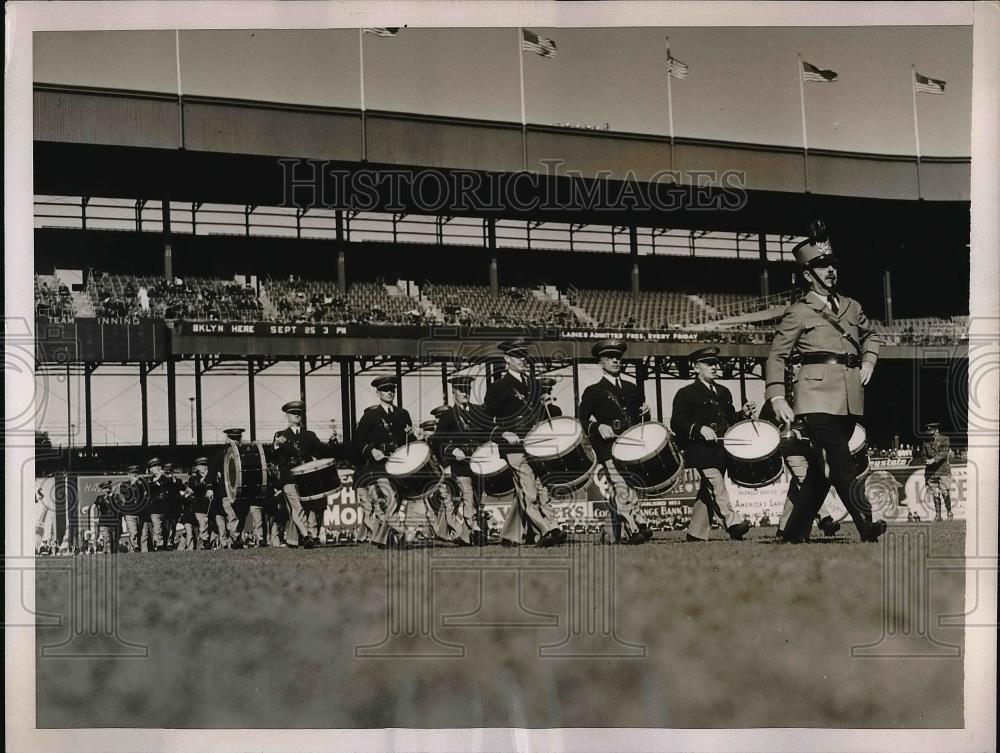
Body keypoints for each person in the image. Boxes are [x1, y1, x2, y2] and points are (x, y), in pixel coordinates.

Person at [765, 231, 887, 543]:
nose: (830, 270)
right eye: (822, 266)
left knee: (821, 474)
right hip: (814, 398)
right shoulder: (798, 311)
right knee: (842, 461)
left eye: (832, 264)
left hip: (849, 397)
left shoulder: (851, 306)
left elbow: (871, 334)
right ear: (808, 274)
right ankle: (866, 524)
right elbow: (777, 355)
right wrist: (777, 394)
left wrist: (870, 361)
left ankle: (793, 533)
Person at [483, 340, 566, 547]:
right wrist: (502, 433)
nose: (522, 360)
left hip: (537, 446)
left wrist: (548, 406)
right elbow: (484, 420)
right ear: (507, 359)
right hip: (514, 448)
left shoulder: (534, 385)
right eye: (517, 356)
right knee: (529, 491)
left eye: (524, 357)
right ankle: (547, 530)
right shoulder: (498, 387)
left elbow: (547, 416)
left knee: (540, 490)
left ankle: (514, 535)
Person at [670, 346, 753, 542]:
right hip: (700, 450)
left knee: (708, 490)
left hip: (721, 450)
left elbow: (731, 420)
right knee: (716, 485)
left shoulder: (724, 392)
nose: (714, 367)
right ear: (696, 367)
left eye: (715, 363)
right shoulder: (686, 393)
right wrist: (699, 428)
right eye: (708, 363)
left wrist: (743, 414)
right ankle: (733, 523)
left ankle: (696, 534)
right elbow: (676, 422)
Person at [577, 339, 654, 544]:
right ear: (600, 362)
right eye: (610, 357)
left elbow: (639, 420)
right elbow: (581, 420)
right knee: (621, 488)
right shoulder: (593, 391)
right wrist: (596, 427)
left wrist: (647, 413)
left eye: (618, 357)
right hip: (609, 448)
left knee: (631, 488)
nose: (615, 360)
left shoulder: (632, 388)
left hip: (630, 449)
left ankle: (610, 536)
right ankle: (635, 527)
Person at [757, 397, 841, 540]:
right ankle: (825, 520)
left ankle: (783, 528)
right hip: (791, 448)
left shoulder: (806, 392)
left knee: (796, 488)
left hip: (811, 447)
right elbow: (765, 426)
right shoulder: (776, 399)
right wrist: (785, 430)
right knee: (805, 481)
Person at [354, 377, 420, 547]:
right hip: (379, 466)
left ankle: (380, 538)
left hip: (398, 465)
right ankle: (401, 533)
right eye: (385, 389)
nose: (390, 392)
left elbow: (409, 442)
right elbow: (358, 441)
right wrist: (371, 450)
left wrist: (411, 436)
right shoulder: (370, 416)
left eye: (392, 389)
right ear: (378, 393)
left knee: (396, 502)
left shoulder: (403, 414)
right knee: (390, 499)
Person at [432, 377, 487, 544]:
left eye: (467, 389)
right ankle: (474, 529)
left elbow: (485, 434)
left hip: (478, 463)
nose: (465, 393)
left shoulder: (478, 411)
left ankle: (465, 536)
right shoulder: (449, 415)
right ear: (454, 392)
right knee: (468, 496)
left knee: (477, 498)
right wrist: (452, 450)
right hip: (460, 466)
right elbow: (437, 441)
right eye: (461, 390)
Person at [272, 401, 326, 548]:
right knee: (297, 507)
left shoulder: (309, 435)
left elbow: (320, 452)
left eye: (299, 413)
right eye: (293, 413)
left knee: (306, 507)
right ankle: (306, 535)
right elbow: (274, 458)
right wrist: (276, 445)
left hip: (306, 476)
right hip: (288, 477)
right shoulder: (280, 435)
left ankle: (299, 538)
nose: (296, 415)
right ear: (287, 416)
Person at [922, 421, 953, 521]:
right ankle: (938, 515)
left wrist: (933, 460)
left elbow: (944, 453)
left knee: (945, 492)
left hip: (943, 471)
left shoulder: (944, 439)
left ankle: (949, 513)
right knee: (935, 493)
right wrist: (925, 460)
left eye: (932, 433)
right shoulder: (926, 442)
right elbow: (923, 454)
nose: (930, 435)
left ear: (937, 431)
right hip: (931, 473)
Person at [118, 464, 150, 552]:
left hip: (141, 513)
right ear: (128, 474)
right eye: (133, 473)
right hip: (130, 513)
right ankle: (135, 548)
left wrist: (142, 483)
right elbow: (128, 494)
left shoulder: (142, 484)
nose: (135, 475)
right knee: (133, 533)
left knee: (143, 534)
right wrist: (135, 483)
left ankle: (142, 552)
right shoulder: (124, 484)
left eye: (136, 473)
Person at [145, 458, 172, 551]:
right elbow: (149, 489)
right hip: (155, 508)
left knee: (166, 528)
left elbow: (173, 488)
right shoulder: (148, 480)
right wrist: (158, 478)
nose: (157, 467)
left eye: (158, 465)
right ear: (150, 469)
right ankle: (159, 545)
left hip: (166, 507)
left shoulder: (166, 479)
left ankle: (166, 544)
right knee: (157, 527)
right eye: (154, 466)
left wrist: (169, 477)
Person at [187, 456, 213, 549]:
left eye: (205, 465)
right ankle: (205, 541)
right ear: (197, 467)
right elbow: (196, 488)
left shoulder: (212, 477)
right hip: (199, 506)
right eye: (201, 465)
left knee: (210, 526)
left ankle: (203, 544)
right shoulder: (193, 479)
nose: (204, 467)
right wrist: (205, 479)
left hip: (211, 506)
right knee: (203, 524)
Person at [90, 480, 122, 554]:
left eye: (108, 488)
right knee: (106, 539)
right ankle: (107, 552)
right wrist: (97, 517)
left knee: (114, 540)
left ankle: (115, 554)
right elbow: (97, 507)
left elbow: (118, 507)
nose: (106, 490)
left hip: (114, 521)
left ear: (110, 488)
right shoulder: (100, 498)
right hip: (104, 521)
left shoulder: (115, 497)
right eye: (105, 488)